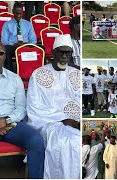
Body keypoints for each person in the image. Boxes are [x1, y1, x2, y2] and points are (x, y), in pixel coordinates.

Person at [0, 41, 44, 179]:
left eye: (0, 53)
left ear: (5, 56)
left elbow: (21, 108)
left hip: (11, 124)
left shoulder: (15, 79)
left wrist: (6, 121)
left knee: (36, 140)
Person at [27, 35, 80, 179]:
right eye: (60, 52)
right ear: (53, 52)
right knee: (65, 141)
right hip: (49, 122)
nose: (64, 56)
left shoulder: (77, 74)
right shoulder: (38, 74)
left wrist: (80, 120)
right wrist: (63, 119)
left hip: (77, 122)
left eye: (67, 52)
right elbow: (34, 106)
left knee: (79, 139)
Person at [1, 2, 36, 72]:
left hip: (26, 45)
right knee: (6, 50)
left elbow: (33, 39)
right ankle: (9, 73)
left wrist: (28, 44)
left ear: (22, 13)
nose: (18, 16)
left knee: (41, 48)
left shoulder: (28, 24)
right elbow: (4, 41)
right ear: (13, 11)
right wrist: (14, 44)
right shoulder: (7, 24)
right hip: (13, 46)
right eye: (17, 13)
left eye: (20, 13)